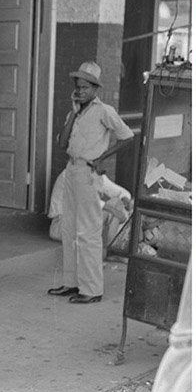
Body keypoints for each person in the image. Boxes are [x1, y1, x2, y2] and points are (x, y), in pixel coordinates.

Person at [48, 61, 134, 304]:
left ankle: (92, 289)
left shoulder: (104, 111)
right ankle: (71, 283)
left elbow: (127, 137)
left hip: (88, 173)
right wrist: (73, 113)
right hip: (71, 170)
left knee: (88, 232)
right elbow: (62, 144)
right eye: (78, 86)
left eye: (86, 87)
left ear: (95, 89)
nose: (80, 90)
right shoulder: (74, 112)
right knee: (69, 230)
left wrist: (102, 158)